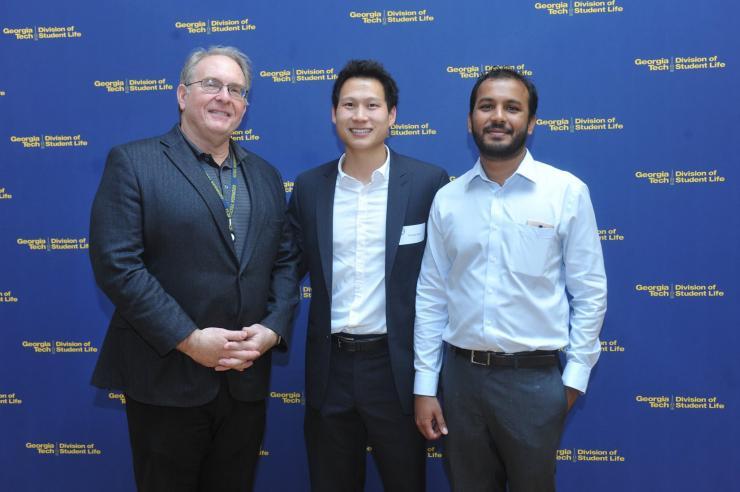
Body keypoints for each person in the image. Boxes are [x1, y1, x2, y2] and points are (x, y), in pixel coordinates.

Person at [89, 46, 298, 492]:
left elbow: (284, 261)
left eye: (237, 90)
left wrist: (272, 330)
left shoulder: (265, 175)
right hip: (166, 381)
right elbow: (118, 265)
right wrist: (188, 340)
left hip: (245, 382)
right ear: (182, 95)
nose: (225, 97)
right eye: (212, 85)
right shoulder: (134, 163)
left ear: (245, 105)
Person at [413, 67, 607, 492]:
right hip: (461, 382)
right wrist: (426, 385)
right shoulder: (448, 199)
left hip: (534, 383)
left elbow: (590, 293)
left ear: (531, 122)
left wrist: (572, 381)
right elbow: (431, 296)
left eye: (511, 108)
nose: (497, 116)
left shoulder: (566, 192)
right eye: (486, 106)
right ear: (470, 120)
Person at [287, 59, 448, 491]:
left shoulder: (428, 184)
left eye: (372, 105)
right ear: (334, 114)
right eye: (349, 105)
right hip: (329, 368)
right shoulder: (308, 187)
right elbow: (286, 271)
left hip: (397, 371)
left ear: (392, 115)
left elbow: (444, 283)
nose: (360, 116)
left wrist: (428, 381)